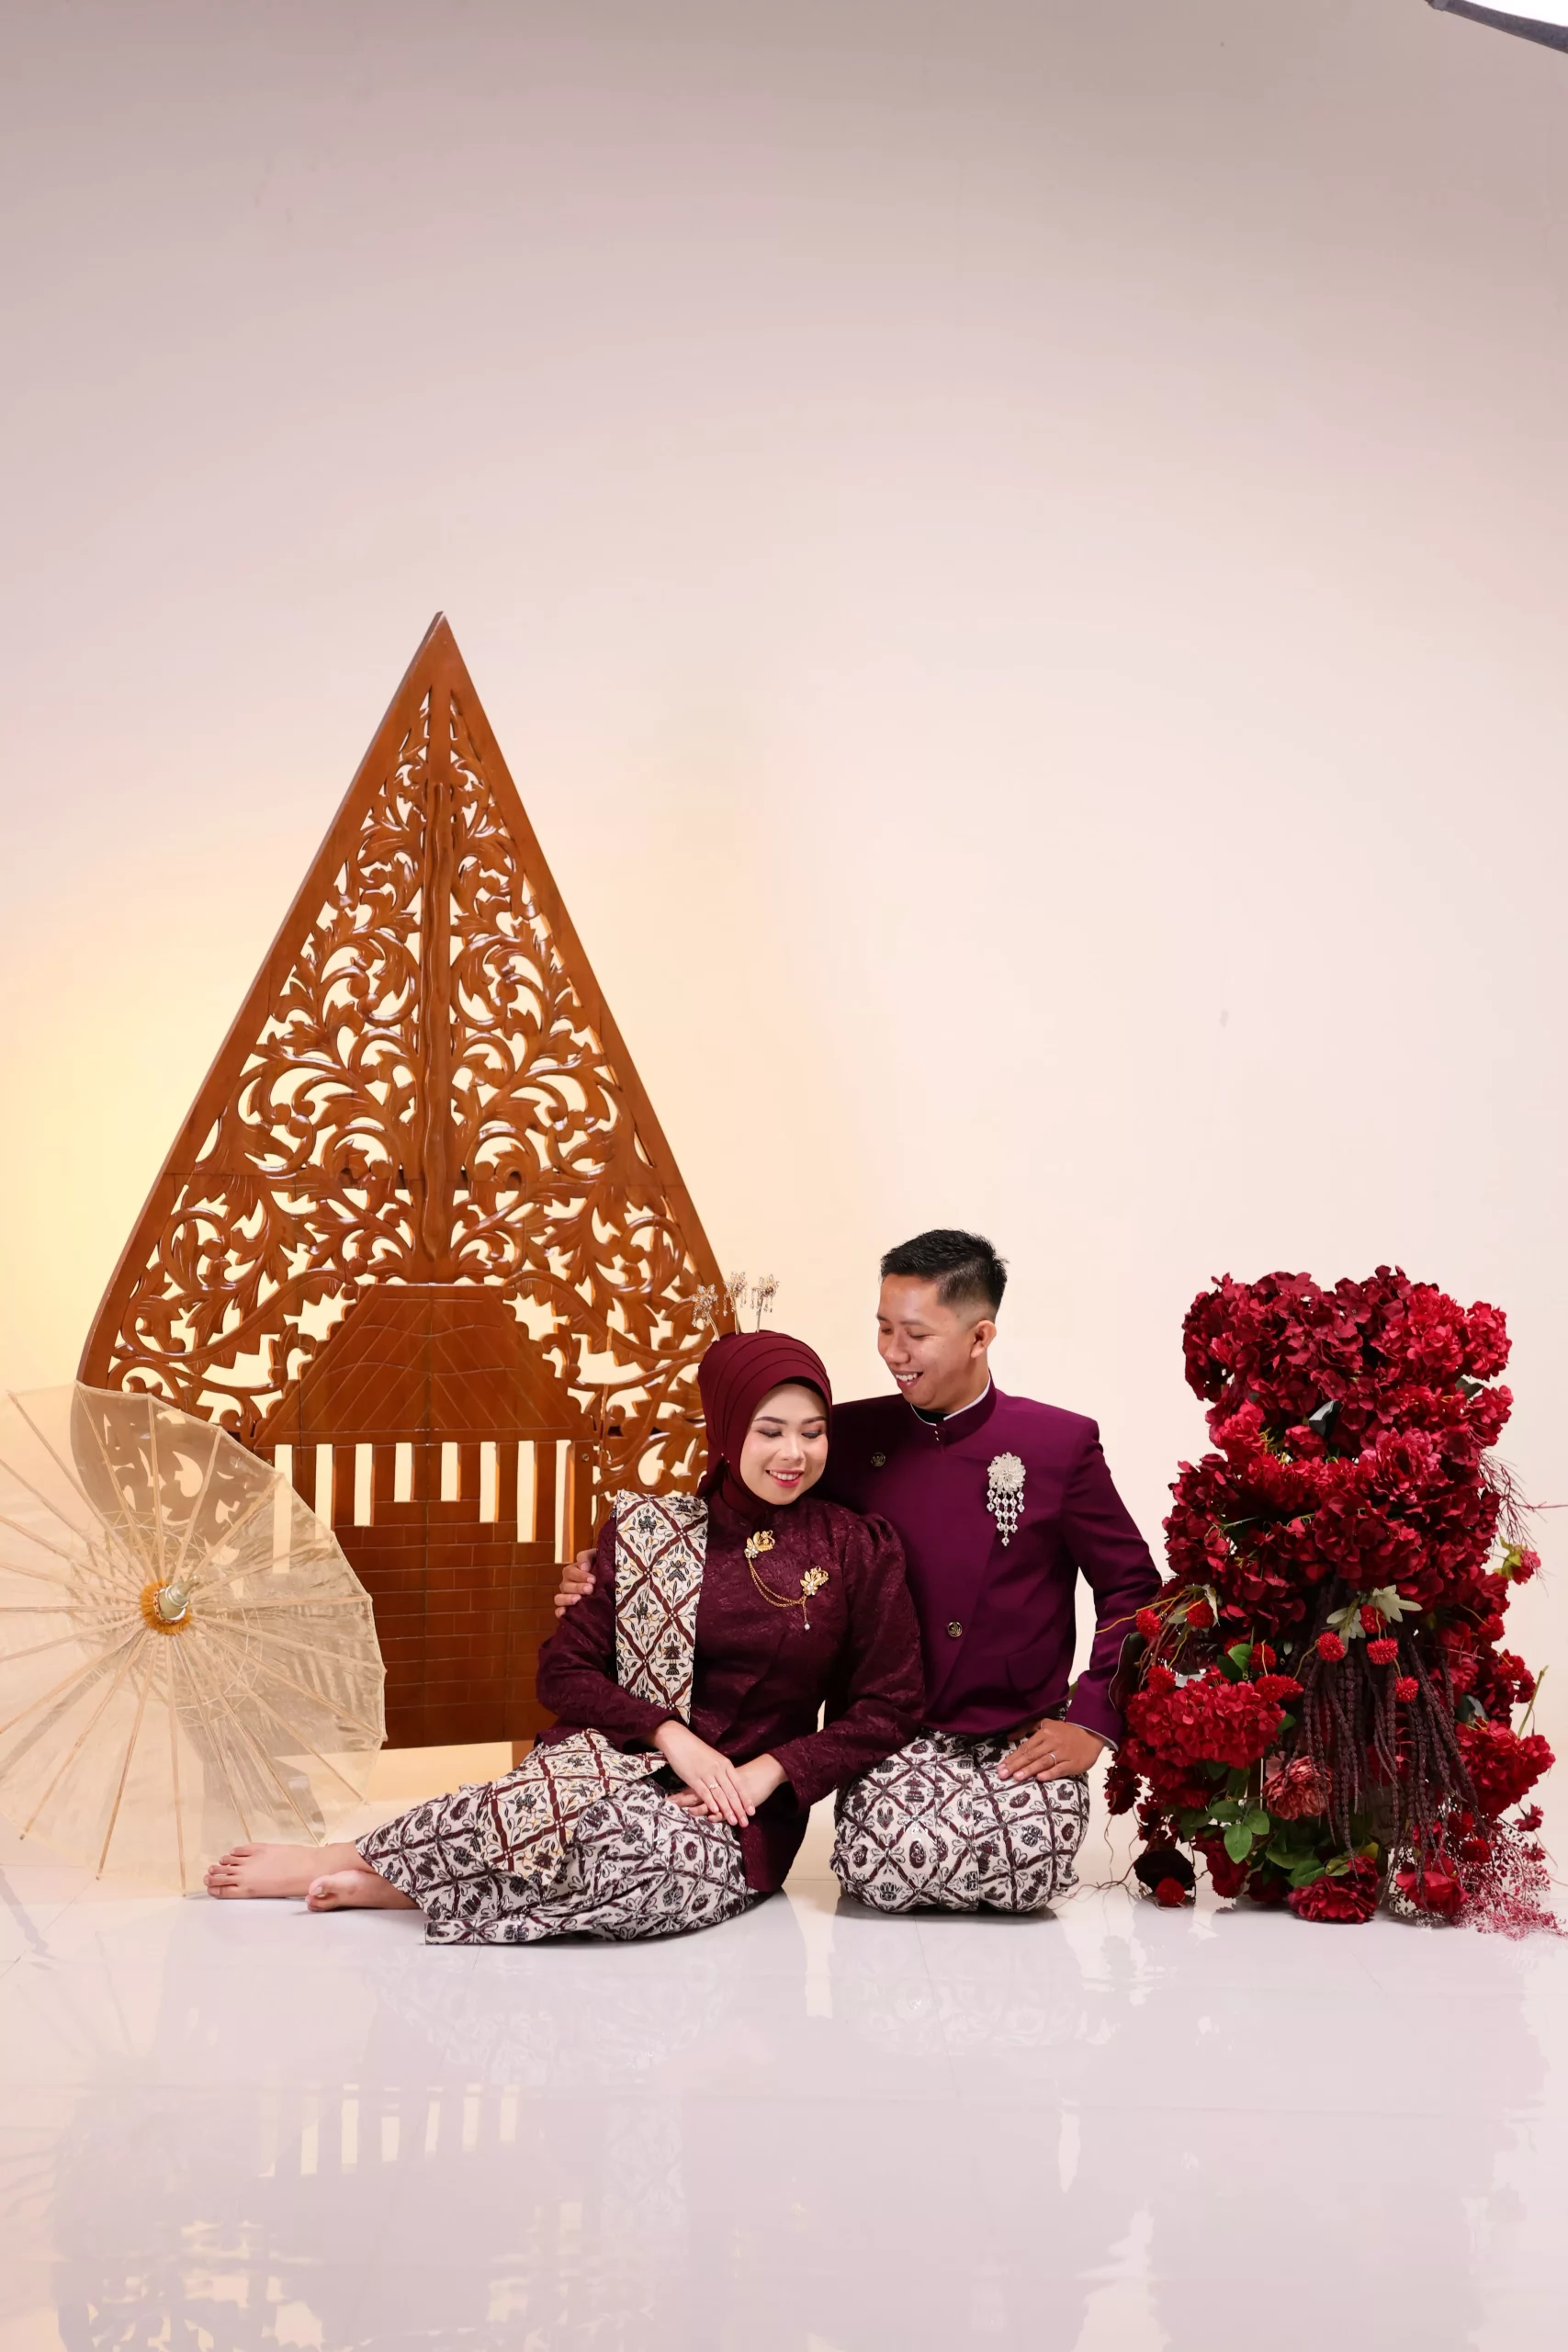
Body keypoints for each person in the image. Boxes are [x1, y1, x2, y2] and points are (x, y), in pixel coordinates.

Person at [205, 1330, 924, 1943]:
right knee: (535, 1809)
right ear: (726, 1430)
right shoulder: (647, 1532)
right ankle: (347, 1858)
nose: (793, 1453)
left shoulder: (856, 1548)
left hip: (736, 1814)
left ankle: (404, 1885)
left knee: (638, 1858)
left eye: (812, 1431)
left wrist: (765, 1773)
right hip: (608, 1766)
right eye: (769, 1431)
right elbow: (564, 1673)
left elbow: (888, 1706)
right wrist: (668, 1735)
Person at [557, 1231, 1160, 1915]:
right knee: (884, 1873)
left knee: (1024, 1873)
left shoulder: (1059, 1443)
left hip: (1014, 1726)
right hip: (887, 1729)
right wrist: (612, 1569)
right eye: (882, 1327)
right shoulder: (839, 1436)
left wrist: (1093, 1722)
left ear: (979, 1336)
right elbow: (731, 1514)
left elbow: (1132, 1588)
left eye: (915, 1335)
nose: (892, 1352)